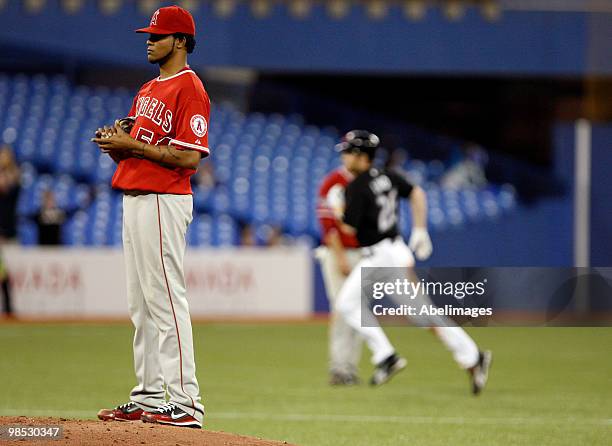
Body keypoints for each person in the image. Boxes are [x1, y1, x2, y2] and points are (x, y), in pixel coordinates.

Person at [92, 5, 209, 428]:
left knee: (165, 301)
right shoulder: (146, 90)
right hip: (135, 196)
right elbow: (141, 144)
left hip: (164, 199)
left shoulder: (188, 87)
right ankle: (148, 395)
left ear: (180, 41)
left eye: (158, 35)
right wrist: (119, 142)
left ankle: (186, 401)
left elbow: (190, 156)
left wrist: (135, 147)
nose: (149, 40)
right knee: (140, 305)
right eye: (149, 34)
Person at [334, 130, 492, 394]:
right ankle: (392, 356)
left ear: (361, 156)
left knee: (357, 305)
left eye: (349, 152)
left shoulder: (357, 186)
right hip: (392, 251)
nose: (345, 157)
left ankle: (392, 356)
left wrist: (337, 209)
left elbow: (349, 229)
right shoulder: (387, 175)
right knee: (415, 313)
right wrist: (420, 229)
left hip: (381, 256)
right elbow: (417, 192)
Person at [315, 155, 363, 385]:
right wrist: (341, 256)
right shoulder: (334, 181)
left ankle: (350, 367)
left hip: (363, 252)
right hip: (338, 252)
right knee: (343, 308)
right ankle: (339, 367)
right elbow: (328, 225)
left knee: (360, 311)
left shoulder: (368, 180)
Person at [0, 145, 20, 317]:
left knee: (9, 272)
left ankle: (9, 308)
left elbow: (11, 184)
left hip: (9, 231)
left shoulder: (14, 179)